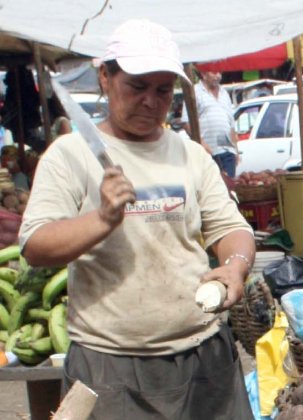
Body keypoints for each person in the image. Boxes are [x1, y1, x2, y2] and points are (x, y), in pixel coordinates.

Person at [19, 19, 255, 419]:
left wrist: (235, 267)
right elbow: (35, 245)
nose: (150, 101)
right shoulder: (69, 155)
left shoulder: (189, 153)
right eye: (137, 85)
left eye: (163, 90)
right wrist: (103, 219)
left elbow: (231, 228)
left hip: (204, 353)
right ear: (105, 78)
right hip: (110, 364)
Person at [184, 70, 239, 178]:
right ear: (204, 74)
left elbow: (231, 125)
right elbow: (186, 123)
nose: (217, 76)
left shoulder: (224, 93)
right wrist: (202, 143)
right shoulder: (194, 92)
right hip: (207, 152)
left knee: (229, 188)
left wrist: (236, 150)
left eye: (219, 73)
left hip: (227, 150)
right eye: (214, 72)